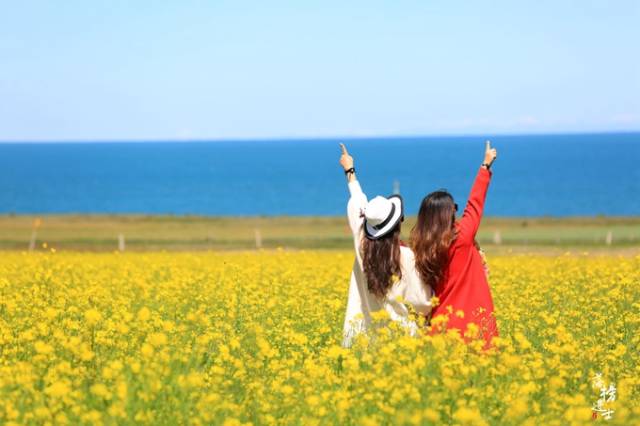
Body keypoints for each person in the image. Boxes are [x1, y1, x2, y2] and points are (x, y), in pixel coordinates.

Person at [339, 143, 433, 347]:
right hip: (400, 341)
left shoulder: (362, 244)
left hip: (364, 340)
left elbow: (357, 203)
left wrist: (349, 170)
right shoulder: (406, 257)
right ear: (396, 225)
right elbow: (422, 302)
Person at [411, 141, 498, 349]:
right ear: (448, 214)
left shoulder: (420, 246)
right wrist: (485, 166)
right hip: (475, 330)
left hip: (440, 330)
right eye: (454, 210)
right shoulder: (462, 237)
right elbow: (475, 204)